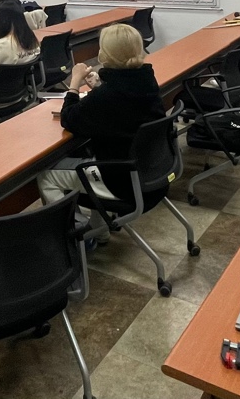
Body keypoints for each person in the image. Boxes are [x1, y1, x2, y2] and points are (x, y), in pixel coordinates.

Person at [37, 24, 164, 243]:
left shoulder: (108, 95)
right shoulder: (147, 80)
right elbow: (123, 111)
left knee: (46, 176)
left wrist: (74, 84)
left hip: (123, 182)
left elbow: (69, 118)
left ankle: (71, 239)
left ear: (106, 54)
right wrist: (98, 87)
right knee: (90, 157)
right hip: (153, 174)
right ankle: (99, 230)